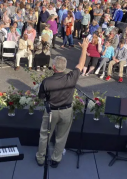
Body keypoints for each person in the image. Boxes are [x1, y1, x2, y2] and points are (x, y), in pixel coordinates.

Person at [35, 38, 89, 167]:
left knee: (45, 135)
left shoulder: (47, 81)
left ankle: (41, 158)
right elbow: (80, 65)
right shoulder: (71, 77)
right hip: (66, 111)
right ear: (64, 68)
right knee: (61, 137)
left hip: (51, 112)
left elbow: (41, 97)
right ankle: (56, 159)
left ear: (53, 67)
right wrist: (84, 48)